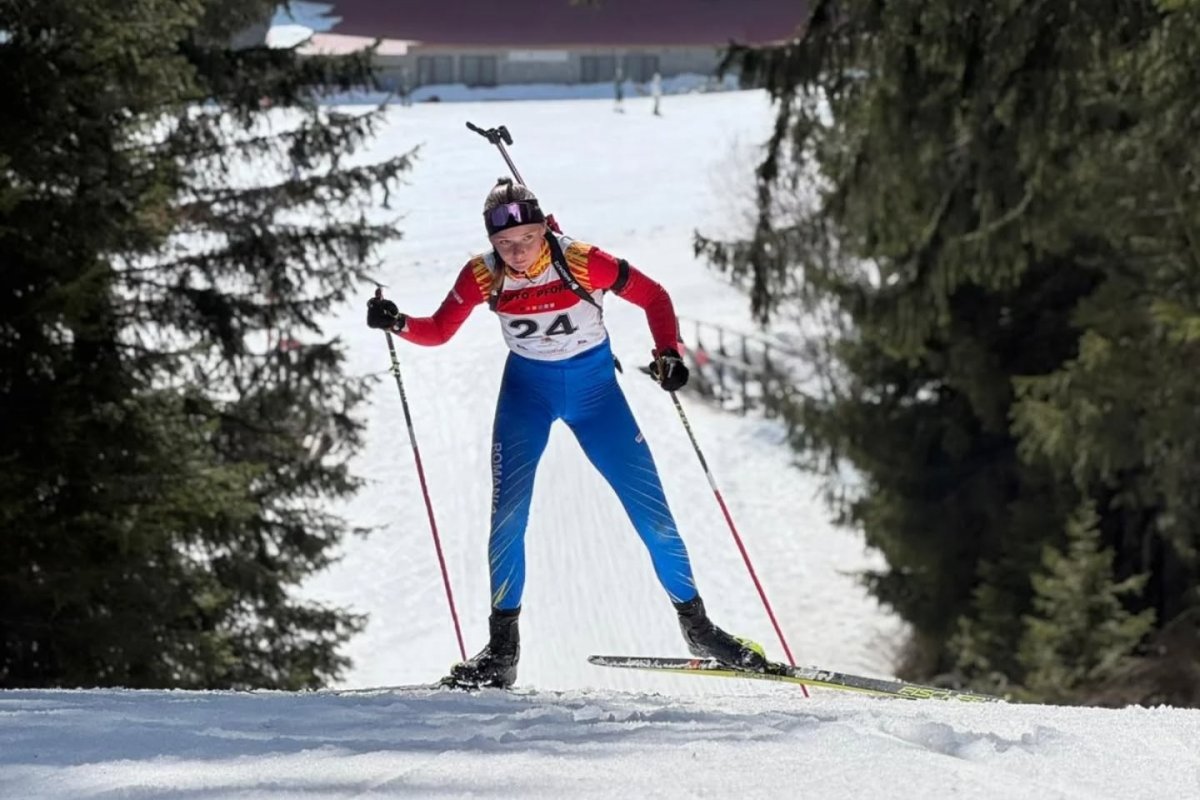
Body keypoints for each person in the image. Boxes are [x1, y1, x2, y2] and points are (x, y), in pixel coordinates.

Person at [366, 177, 768, 688]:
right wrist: (397, 322)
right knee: (507, 518)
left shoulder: (580, 260)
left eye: (526, 239)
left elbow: (654, 296)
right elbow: (440, 330)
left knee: (654, 517)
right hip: (525, 396)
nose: (515, 252)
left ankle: (699, 629)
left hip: (596, 395)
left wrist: (668, 352)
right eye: (504, 244)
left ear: (542, 229)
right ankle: (502, 653)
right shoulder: (482, 274)